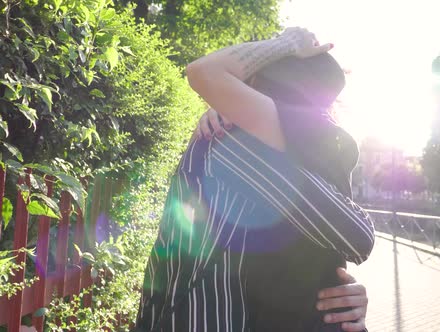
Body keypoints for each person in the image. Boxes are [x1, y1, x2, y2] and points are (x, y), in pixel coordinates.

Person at [136, 27, 374, 331]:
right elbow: (357, 234)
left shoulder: (271, 151)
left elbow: (330, 248)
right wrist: (287, 43)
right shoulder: (234, 144)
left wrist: (349, 296)